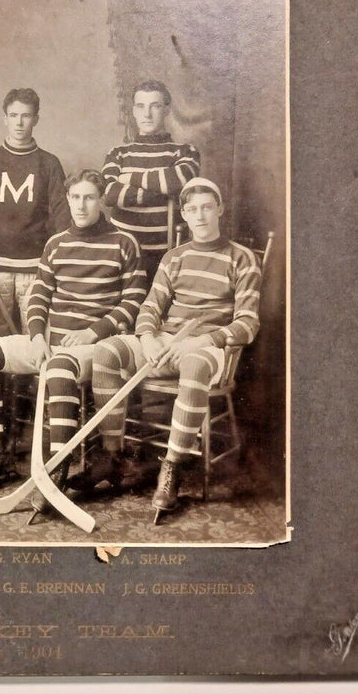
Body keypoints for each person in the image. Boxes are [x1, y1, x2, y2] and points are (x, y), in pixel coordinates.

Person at [0, 170, 148, 511]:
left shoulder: (124, 243)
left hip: (95, 346)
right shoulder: (56, 243)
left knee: (59, 368)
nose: (81, 205)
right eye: (75, 197)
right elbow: (39, 298)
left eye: (89, 197)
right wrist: (35, 337)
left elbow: (134, 300)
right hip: (51, 342)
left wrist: (94, 331)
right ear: (67, 200)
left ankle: (55, 471)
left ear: (101, 200)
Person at [90, 177, 261, 520]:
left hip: (209, 348)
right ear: (183, 214)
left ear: (220, 210)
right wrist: (150, 339)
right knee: (106, 352)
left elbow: (248, 324)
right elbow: (150, 308)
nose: (200, 216)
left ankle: (172, 467)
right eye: (193, 209)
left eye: (207, 207)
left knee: (195, 364)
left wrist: (204, 340)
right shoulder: (174, 257)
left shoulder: (241, 259)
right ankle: (113, 456)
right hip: (166, 341)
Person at [0, 87, 69, 335]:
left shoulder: (49, 163)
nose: (19, 122)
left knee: (35, 336)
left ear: (36, 119)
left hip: (35, 268)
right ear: (5, 118)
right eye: (13, 115)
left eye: (26, 115)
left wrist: (61, 260)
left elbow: (63, 215)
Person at [102, 80, 200, 278]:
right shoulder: (118, 153)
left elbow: (176, 181)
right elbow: (109, 194)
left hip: (167, 256)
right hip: (121, 254)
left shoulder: (184, 151)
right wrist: (163, 191)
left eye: (154, 106)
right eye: (141, 106)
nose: (147, 114)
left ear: (166, 110)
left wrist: (128, 178)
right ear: (134, 111)